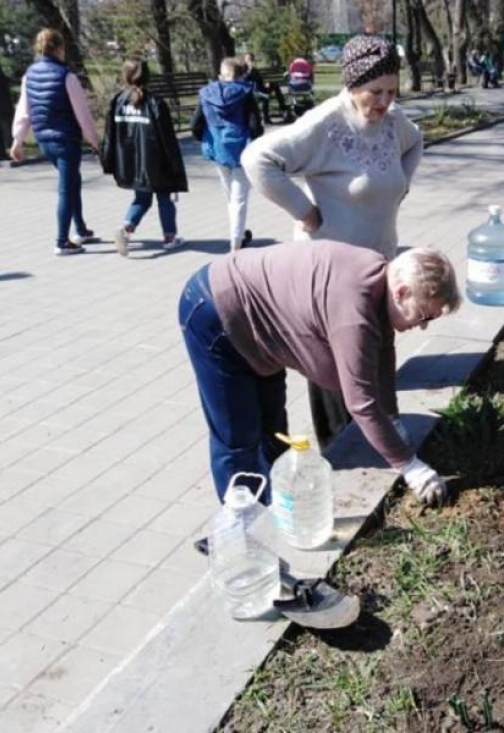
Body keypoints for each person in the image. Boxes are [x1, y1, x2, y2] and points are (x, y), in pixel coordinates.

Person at [242, 35, 424, 449]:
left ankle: (387, 425)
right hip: (328, 274)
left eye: (392, 92)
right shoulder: (325, 124)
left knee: (381, 346)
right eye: (375, 92)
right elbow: (257, 159)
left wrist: (401, 185)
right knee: (333, 364)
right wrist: (305, 213)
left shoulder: (394, 124)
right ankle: (341, 446)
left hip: (378, 260)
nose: (385, 102)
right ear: (352, 86)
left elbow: (416, 143)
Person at [179, 241, 461, 506]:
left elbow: (384, 352)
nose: (422, 326)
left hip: (257, 323)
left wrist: (391, 416)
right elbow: (360, 403)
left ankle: (277, 506)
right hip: (214, 312)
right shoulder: (354, 311)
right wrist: (409, 466)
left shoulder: (380, 279)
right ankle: (240, 529)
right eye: (423, 315)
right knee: (237, 435)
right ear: (401, 293)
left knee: (273, 425)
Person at [10, 28, 100, 256]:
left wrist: (18, 141)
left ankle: (81, 229)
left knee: (72, 181)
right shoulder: (66, 76)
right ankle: (62, 241)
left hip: (43, 139)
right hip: (66, 140)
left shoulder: (29, 75)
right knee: (66, 189)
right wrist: (95, 141)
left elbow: (24, 110)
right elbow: (82, 113)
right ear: (59, 48)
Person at [102, 59, 188, 256]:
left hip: (129, 163)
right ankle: (170, 237)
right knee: (164, 197)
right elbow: (168, 139)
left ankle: (126, 229)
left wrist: (110, 160)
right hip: (156, 162)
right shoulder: (155, 103)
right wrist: (174, 166)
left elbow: (109, 135)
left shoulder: (118, 101)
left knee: (142, 198)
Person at [192, 57, 263, 252]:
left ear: (220, 76)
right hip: (242, 150)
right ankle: (236, 242)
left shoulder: (206, 94)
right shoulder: (247, 94)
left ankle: (237, 234)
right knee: (240, 199)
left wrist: (206, 138)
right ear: (242, 76)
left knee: (231, 197)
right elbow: (255, 126)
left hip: (218, 149)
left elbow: (195, 125)